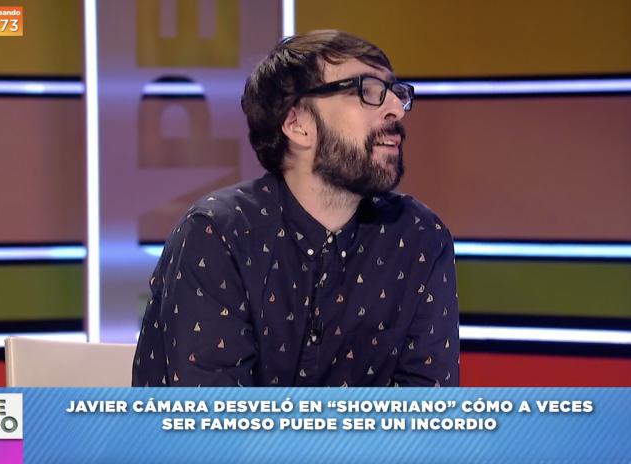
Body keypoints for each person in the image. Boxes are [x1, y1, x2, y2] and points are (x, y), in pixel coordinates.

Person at [132, 29, 460, 387]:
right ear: (297, 125)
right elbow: (214, 417)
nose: (396, 108)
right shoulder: (218, 235)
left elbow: (428, 411)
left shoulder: (419, 238)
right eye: (366, 91)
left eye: (395, 92)